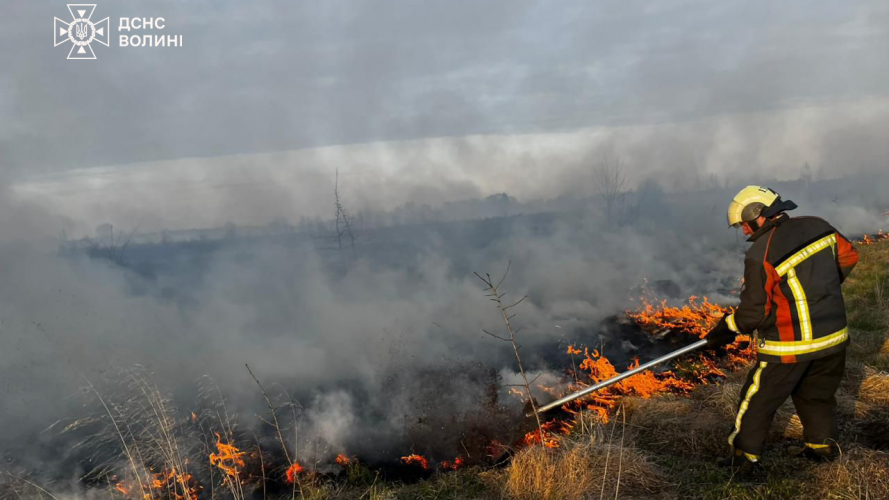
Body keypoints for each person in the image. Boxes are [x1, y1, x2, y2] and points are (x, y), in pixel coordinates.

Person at [704, 185, 859, 477]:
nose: (744, 232)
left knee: (758, 400)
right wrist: (821, 289)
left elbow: (753, 313)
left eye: (745, 225)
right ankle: (821, 448)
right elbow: (850, 256)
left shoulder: (761, 253)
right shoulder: (819, 226)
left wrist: (726, 328)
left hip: (789, 346)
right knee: (817, 395)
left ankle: (744, 459)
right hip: (834, 339)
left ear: (759, 216)